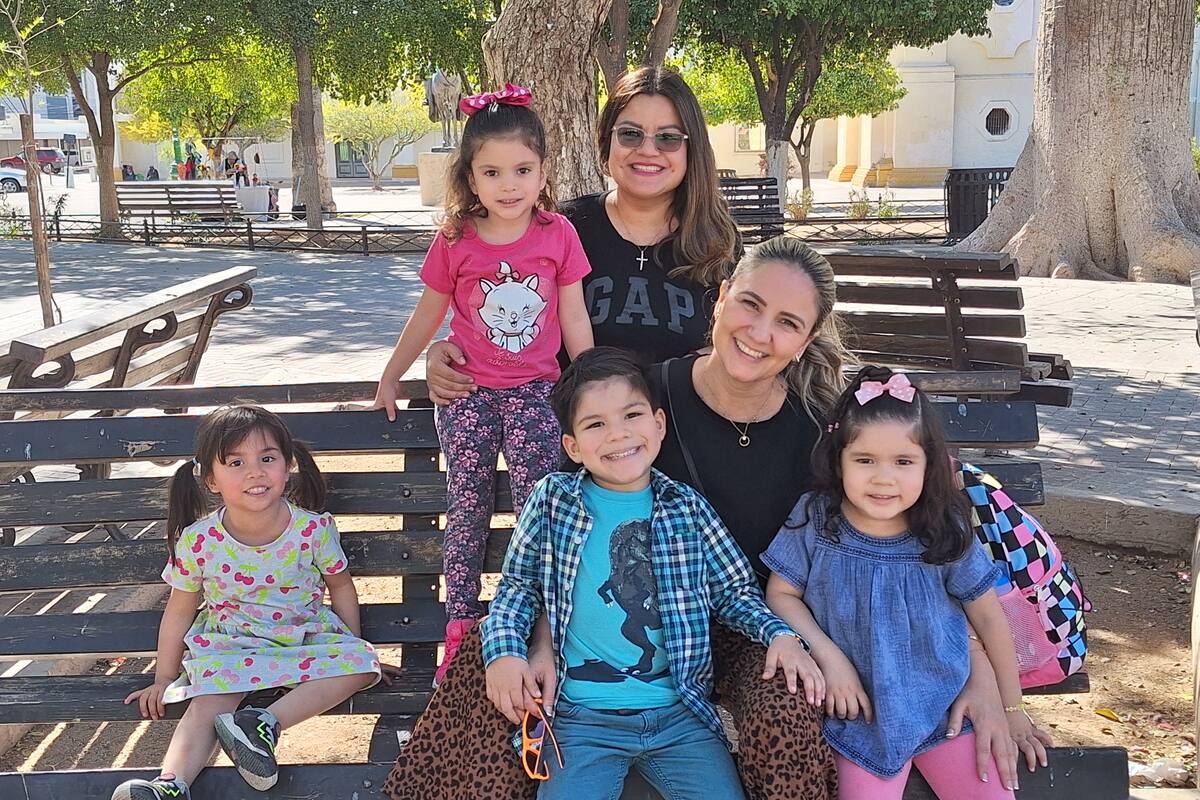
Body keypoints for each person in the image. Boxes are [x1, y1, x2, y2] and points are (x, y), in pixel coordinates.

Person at [482, 347, 821, 799]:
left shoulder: (686, 508)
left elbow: (735, 591)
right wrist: (504, 653)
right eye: (595, 424)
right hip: (581, 718)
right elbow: (519, 587)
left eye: (632, 415)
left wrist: (781, 635)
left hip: (680, 717)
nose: (617, 435)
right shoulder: (554, 499)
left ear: (658, 424)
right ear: (573, 447)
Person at [372, 83, 593, 686]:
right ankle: (461, 629)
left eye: (522, 169)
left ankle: (536, 628)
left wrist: (592, 385)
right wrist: (393, 374)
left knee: (536, 510)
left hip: (535, 396)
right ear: (469, 178)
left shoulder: (558, 236)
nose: (509, 184)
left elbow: (573, 316)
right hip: (467, 395)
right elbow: (428, 313)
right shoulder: (456, 240)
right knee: (466, 507)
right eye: (492, 172)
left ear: (544, 171)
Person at [763, 366, 1041, 799]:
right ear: (839, 460)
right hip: (859, 716)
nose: (883, 478)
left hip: (947, 708)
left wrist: (1011, 707)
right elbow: (781, 593)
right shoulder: (817, 519)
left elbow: (988, 616)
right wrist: (830, 658)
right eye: (865, 460)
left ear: (929, 464)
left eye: (904, 462)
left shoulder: (942, 526)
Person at [110, 406, 384, 800]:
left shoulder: (312, 529)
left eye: (267, 459)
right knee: (208, 705)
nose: (255, 472)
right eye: (236, 462)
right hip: (231, 644)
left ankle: (260, 725)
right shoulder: (199, 541)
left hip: (302, 638)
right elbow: (180, 609)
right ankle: (168, 786)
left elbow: (340, 586)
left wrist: (351, 645)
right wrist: (163, 678)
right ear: (211, 480)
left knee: (362, 666)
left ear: (287, 465)